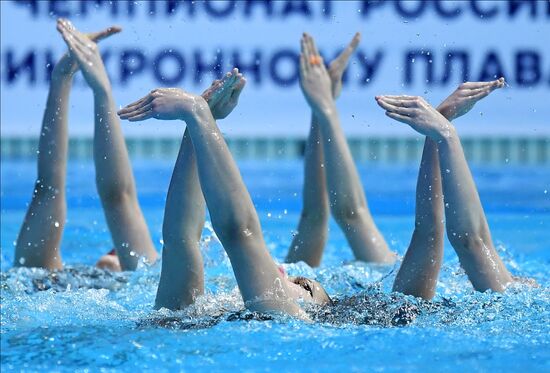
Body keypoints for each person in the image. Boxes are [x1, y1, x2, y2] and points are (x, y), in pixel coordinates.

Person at [118, 32, 517, 320]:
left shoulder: (286, 317)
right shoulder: (195, 313)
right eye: (301, 280)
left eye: (304, 285)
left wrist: (199, 118)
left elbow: (235, 235)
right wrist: (439, 131)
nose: (287, 273)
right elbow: (428, 233)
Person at [14, 19, 158, 272]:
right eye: (117, 248)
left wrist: (101, 91)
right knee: (46, 193)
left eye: (117, 249)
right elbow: (118, 198)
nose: (112, 254)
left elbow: (119, 198)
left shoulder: (144, 276)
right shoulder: (138, 279)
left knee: (47, 193)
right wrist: (63, 77)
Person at [285, 32, 396, 267]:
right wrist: (324, 107)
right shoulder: (384, 285)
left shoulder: (286, 288)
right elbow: (349, 215)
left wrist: (323, 108)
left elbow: (315, 217)